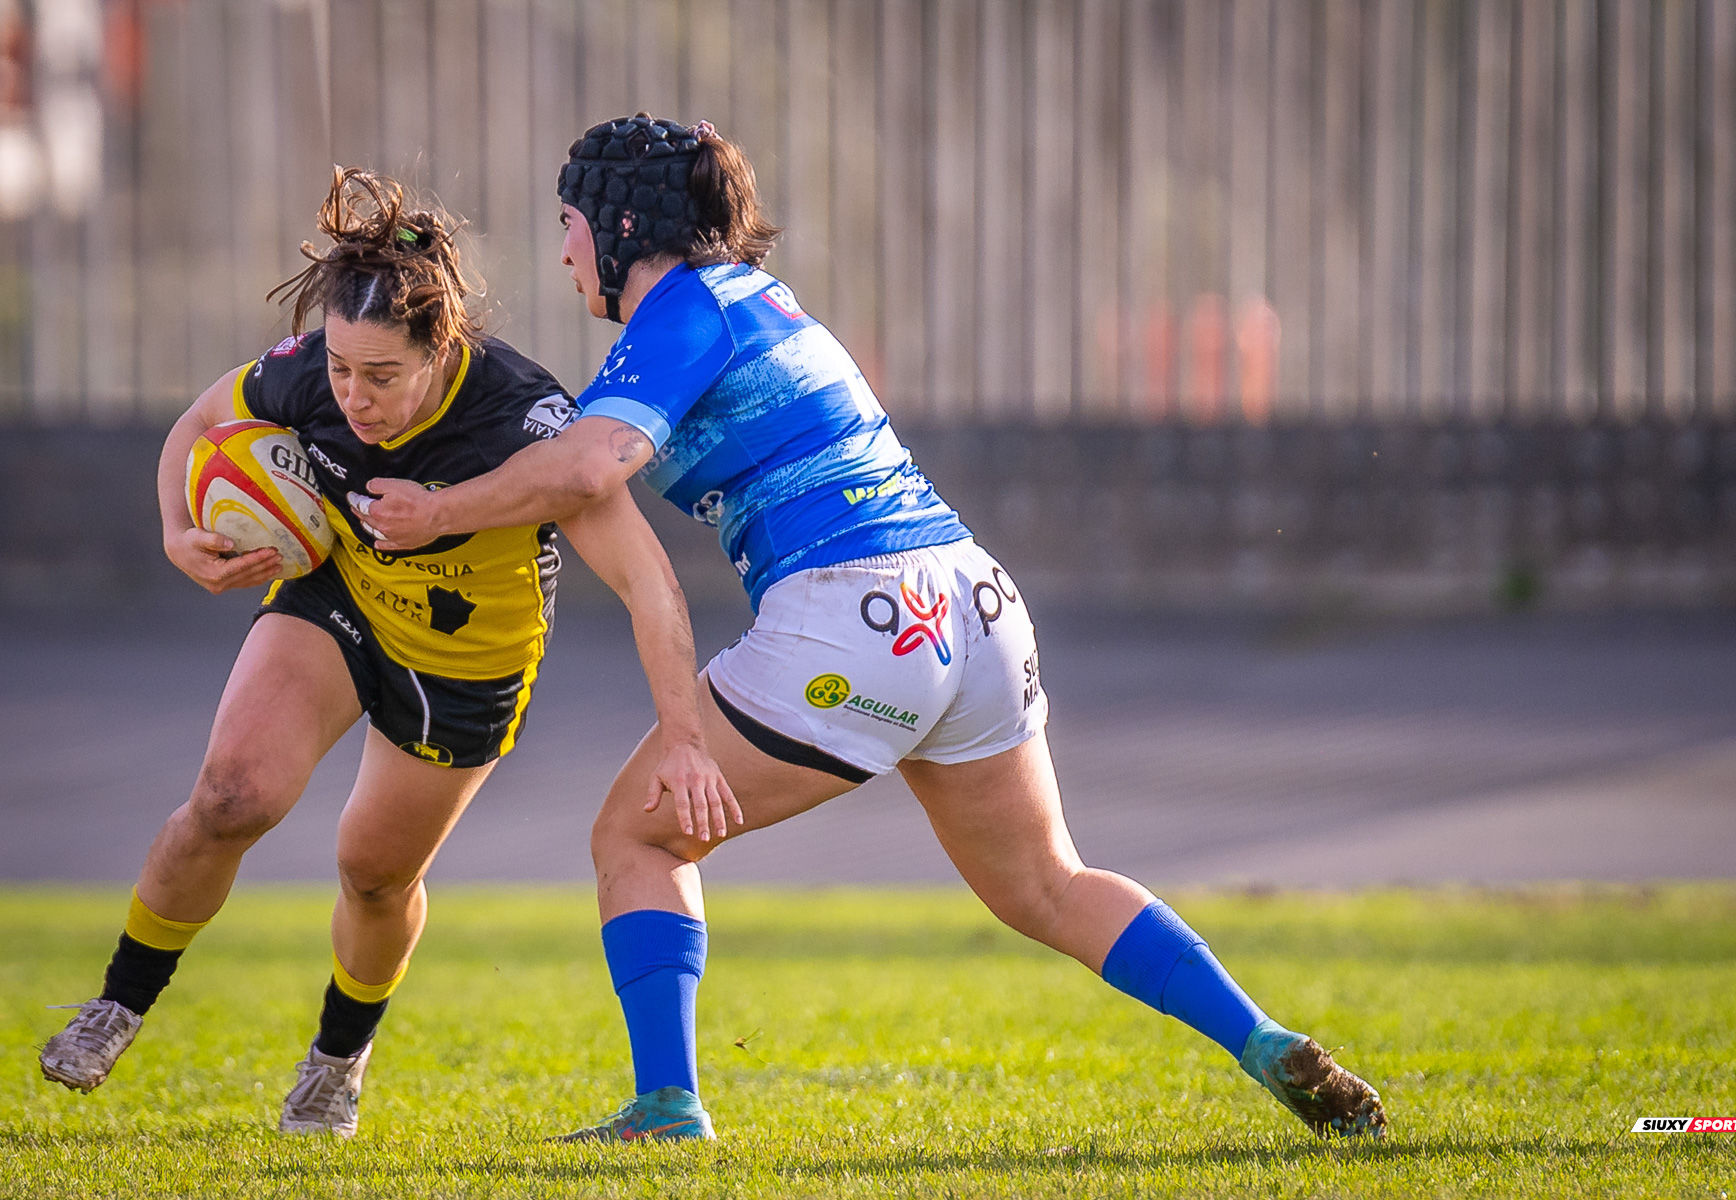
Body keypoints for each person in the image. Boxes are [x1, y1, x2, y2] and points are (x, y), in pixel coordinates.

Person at [365, 116, 1387, 1142]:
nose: (564, 250)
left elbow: (588, 466)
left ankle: (669, 1108)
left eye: (571, 223)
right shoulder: (764, 301)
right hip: (975, 603)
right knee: (1046, 883)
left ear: (625, 226)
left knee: (634, 833)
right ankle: (1263, 1041)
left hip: (853, 612)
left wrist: (434, 512)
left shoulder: (685, 309)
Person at [37, 167, 731, 1138]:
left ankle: (336, 1060)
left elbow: (648, 583)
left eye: (381, 376)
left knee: (372, 874)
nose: (352, 399)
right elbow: (201, 424)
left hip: (467, 661)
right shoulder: (311, 370)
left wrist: (684, 734)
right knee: (233, 794)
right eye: (339, 372)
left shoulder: (521, 419)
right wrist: (173, 529)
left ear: (441, 349)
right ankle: (118, 1000)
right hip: (343, 595)